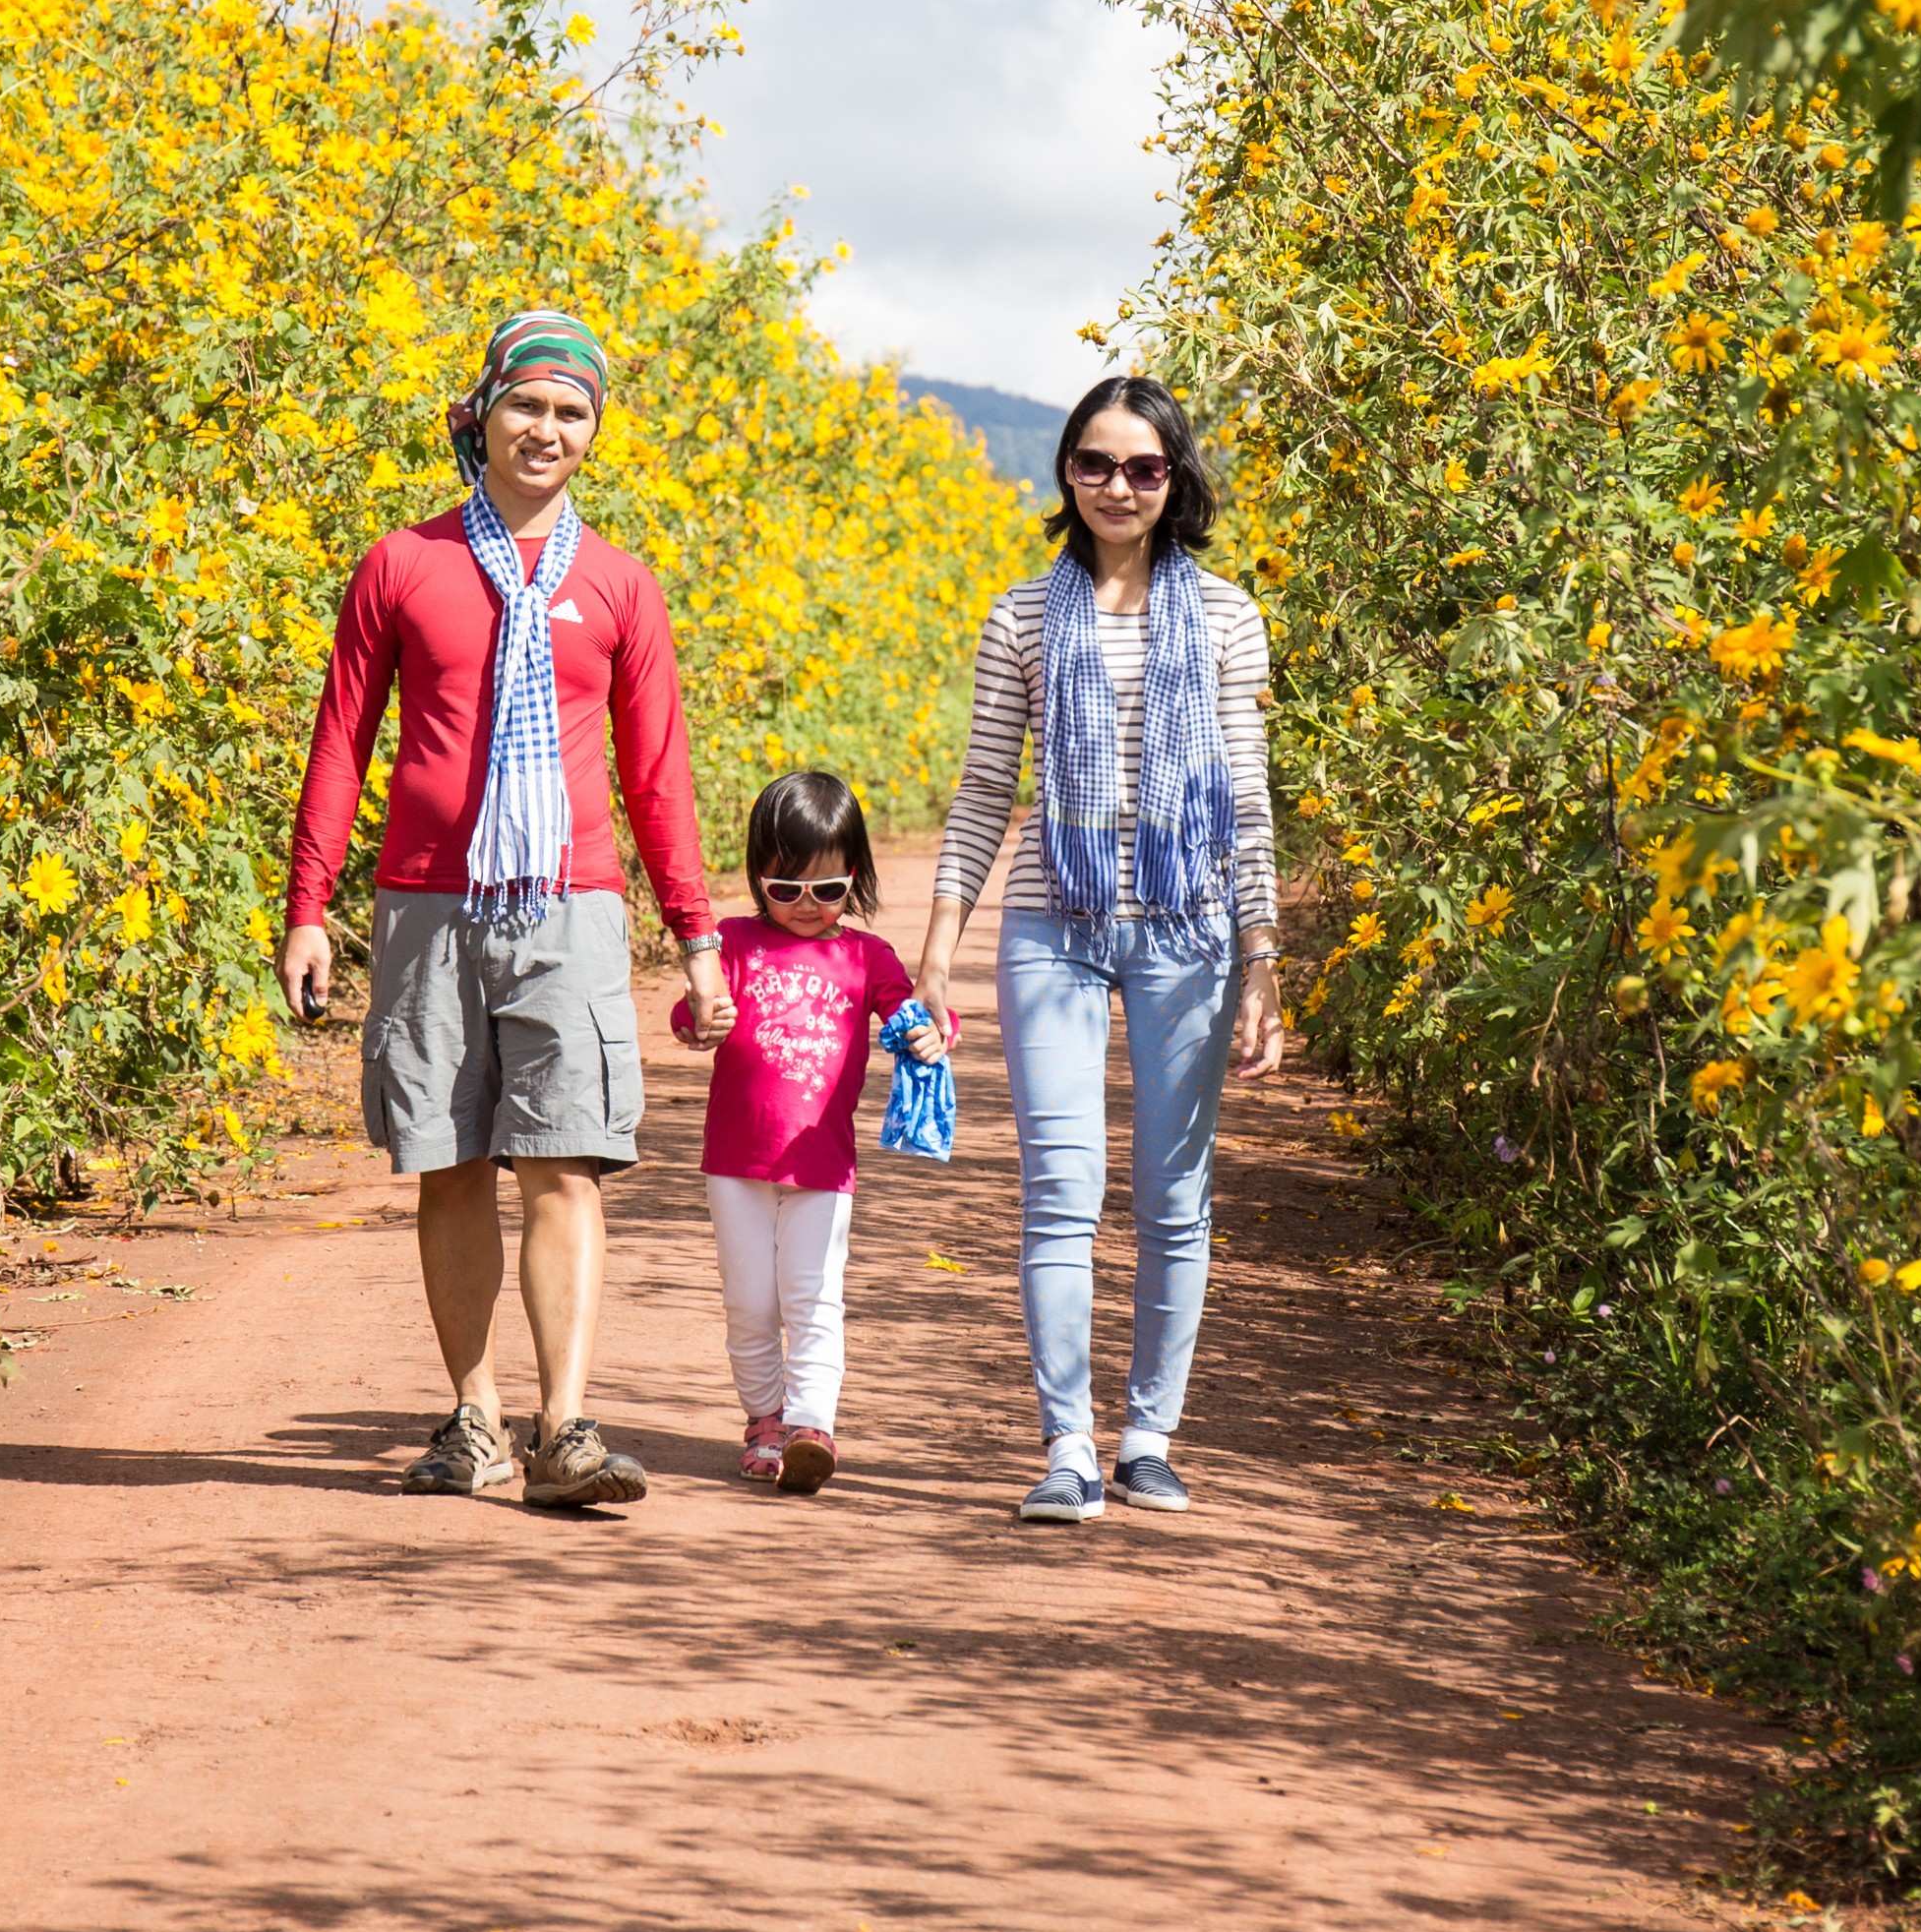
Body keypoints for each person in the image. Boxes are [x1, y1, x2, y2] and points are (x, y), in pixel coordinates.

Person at [282, 306, 730, 1511]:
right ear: (480, 416)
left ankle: (564, 1429)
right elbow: (342, 739)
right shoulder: (403, 562)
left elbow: (657, 775)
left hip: (570, 905)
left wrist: (695, 942)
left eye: (571, 411)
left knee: (564, 1167)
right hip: (427, 905)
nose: (547, 428)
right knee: (449, 1162)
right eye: (526, 404)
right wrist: (307, 905)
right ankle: (473, 1419)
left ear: (593, 435)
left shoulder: (620, 585)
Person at [910, 373, 1283, 1527]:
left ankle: (1150, 1437)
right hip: (1052, 922)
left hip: (1190, 927)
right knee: (1059, 1191)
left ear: (1176, 481)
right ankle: (1068, 1442)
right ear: (1065, 475)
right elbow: (982, 791)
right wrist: (936, 946)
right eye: (1095, 464)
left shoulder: (1225, 615)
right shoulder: (1021, 616)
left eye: (1144, 467)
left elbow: (1248, 795)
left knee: (1177, 1196)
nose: (1118, 486)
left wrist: (1263, 954)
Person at [668, 770, 934, 1494]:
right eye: (786, 890)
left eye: (827, 889)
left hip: (822, 1164)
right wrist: (700, 1019)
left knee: (813, 1297)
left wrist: (930, 1035)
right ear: (759, 878)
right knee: (750, 1301)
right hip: (734, 1162)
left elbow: (911, 1013)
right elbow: (692, 1012)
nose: (807, 906)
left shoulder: (865, 957)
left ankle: (813, 1426)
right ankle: (764, 1419)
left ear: (855, 877)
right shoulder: (731, 942)